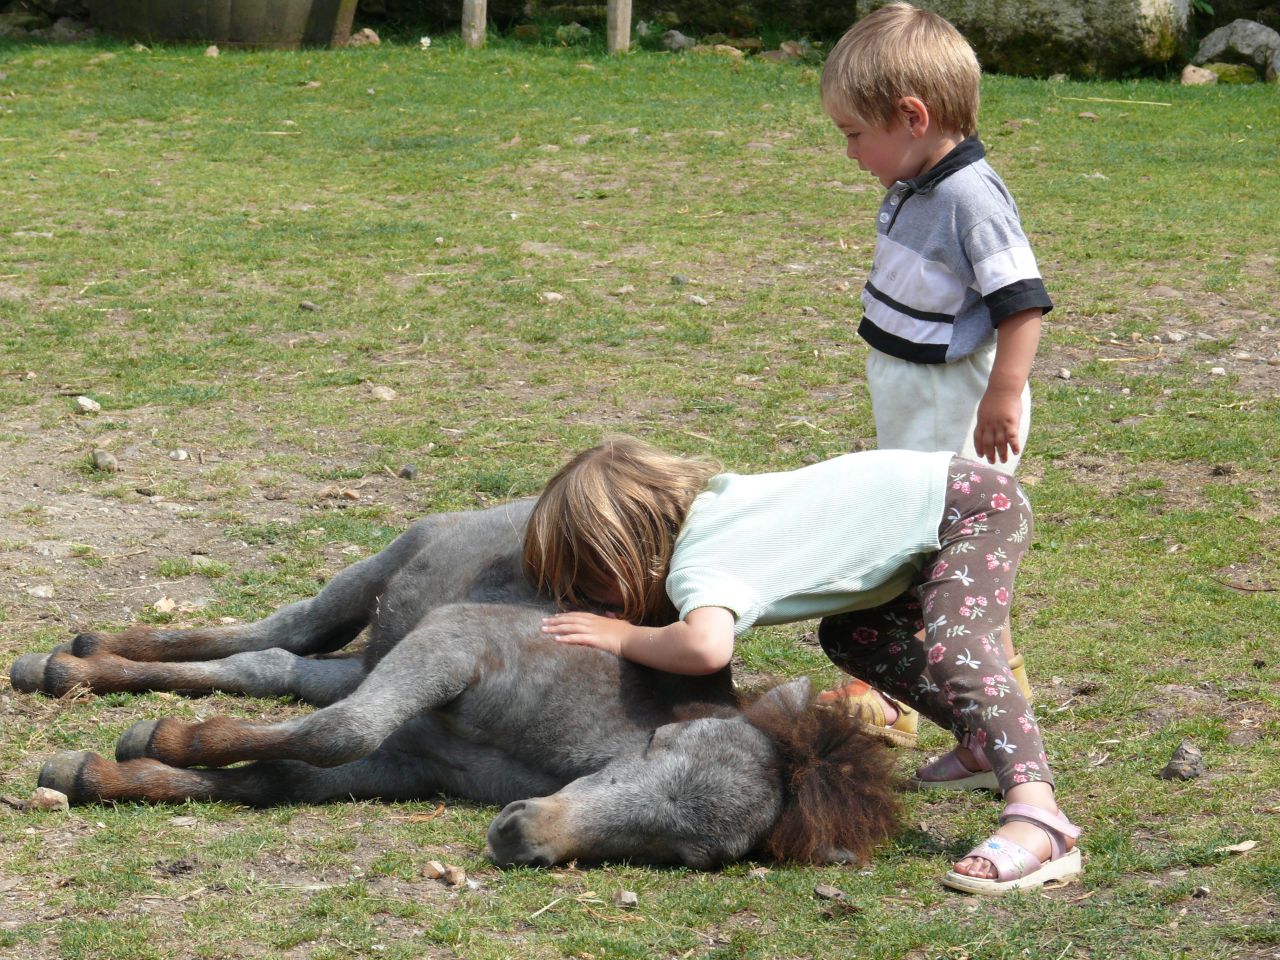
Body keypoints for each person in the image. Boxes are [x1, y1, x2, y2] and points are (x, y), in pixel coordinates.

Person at [525, 436, 1081, 894]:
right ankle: (983, 741)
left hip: (971, 509)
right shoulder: (718, 506)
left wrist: (624, 637)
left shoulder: (699, 562)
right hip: (944, 501)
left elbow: (704, 648)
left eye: (588, 580)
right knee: (854, 635)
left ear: (627, 550)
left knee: (958, 648)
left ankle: (1037, 817)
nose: (589, 602)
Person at [816, 3, 1052, 773]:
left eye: (855, 133)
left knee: (950, 566)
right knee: (919, 552)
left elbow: (1021, 303)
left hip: (958, 413)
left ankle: (959, 715)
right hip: (916, 406)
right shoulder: (920, 182)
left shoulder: (970, 199)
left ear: (912, 118)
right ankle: (957, 707)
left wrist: (1002, 394)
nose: (849, 152)